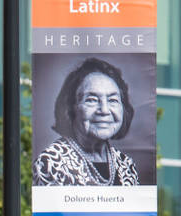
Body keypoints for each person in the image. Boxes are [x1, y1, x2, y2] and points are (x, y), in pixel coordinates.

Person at [33, 57, 143, 187]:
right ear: (71, 107)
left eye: (112, 100)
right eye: (92, 100)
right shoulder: (50, 163)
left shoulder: (126, 165)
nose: (104, 110)